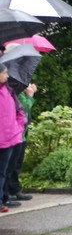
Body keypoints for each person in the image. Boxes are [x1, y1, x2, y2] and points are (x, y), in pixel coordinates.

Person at [0, 66, 27, 212]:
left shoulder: (8, 91)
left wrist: (18, 127)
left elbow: (20, 110)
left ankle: (3, 199)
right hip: (5, 136)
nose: (7, 76)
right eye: (4, 73)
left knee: (4, 171)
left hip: (11, 136)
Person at [4, 82, 35, 203]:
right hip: (16, 134)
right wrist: (30, 96)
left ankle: (14, 189)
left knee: (17, 164)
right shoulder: (16, 93)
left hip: (22, 133)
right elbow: (23, 108)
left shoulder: (18, 92)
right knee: (11, 166)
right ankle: (8, 192)